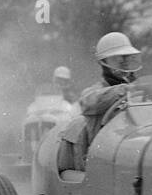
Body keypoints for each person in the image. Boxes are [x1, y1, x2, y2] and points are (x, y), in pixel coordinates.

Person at [61, 32, 142, 170]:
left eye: (127, 58)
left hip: (134, 147)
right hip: (104, 157)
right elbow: (87, 101)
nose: (124, 62)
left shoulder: (139, 88)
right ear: (104, 63)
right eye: (118, 58)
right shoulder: (97, 91)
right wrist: (125, 90)